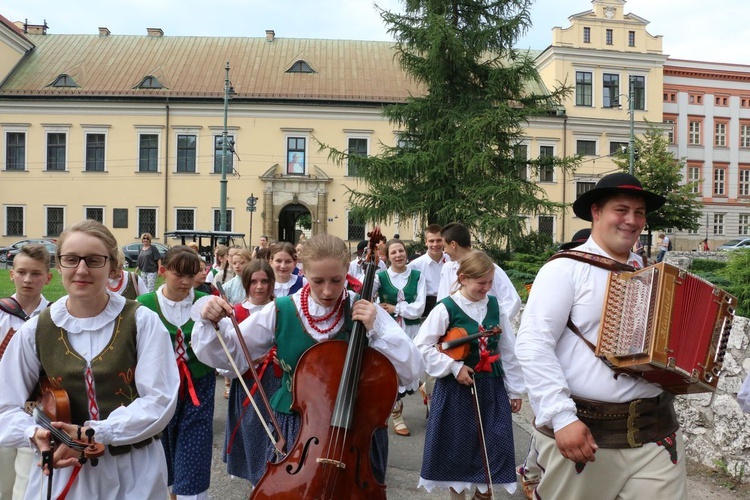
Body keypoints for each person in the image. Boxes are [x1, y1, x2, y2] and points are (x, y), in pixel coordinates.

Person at [191, 233, 423, 487]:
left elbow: (410, 370)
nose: (327, 290)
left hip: (355, 429)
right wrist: (209, 320)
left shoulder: (365, 310)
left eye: (336, 280)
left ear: (347, 270)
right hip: (297, 428)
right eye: (317, 280)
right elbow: (230, 353)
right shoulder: (282, 309)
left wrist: (376, 328)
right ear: (304, 273)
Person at [516, 172, 687, 499]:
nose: (631, 220)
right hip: (589, 433)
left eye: (639, 213)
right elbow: (534, 343)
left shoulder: (649, 272)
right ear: (596, 212)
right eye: (621, 210)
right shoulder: (564, 269)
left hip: (657, 432)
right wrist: (562, 418)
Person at [0, 220, 179, 499]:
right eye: (71, 259)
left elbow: (160, 400)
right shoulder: (36, 329)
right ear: (58, 266)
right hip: (63, 469)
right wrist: (37, 433)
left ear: (113, 267)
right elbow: (4, 405)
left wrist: (98, 432)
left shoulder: (142, 321)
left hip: (132, 469)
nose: (81, 270)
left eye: (94, 260)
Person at [414, 250, 524, 499]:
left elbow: (508, 349)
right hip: (455, 391)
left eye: (490, 282)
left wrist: (515, 389)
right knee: (458, 450)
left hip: (491, 388)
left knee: (494, 449)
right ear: (463, 278)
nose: (486, 288)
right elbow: (422, 346)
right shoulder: (447, 308)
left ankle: (483, 496)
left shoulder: (496, 307)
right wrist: (454, 367)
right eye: (481, 283)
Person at [137, 246, 213, 500]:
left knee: (194, 451)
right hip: (159, 388)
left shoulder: (205, 302)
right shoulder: (143, 305)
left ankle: (191, 495)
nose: (186, 282)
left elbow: (222, 346)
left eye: (191, 276)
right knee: (161, 451)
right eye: (179, 274)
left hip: (199, 387)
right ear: (162, 271)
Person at [216, 259, 279, 487]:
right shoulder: (236, 314)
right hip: (248, 387)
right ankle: (257, 485)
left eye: (265, 281)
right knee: (253, 435)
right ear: (246, 283)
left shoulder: (282, 309)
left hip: (279, 385)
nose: (260, 287)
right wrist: (248, 361)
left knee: (279, 439)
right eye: (254, 282)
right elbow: (224, 361)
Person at [0, 244, 52, 500]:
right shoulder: (1, 313)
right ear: (12, 274)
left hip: (40, 412)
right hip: (2, 408)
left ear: (48, 277)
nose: (27, 279)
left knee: (28, 486)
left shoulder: (55, 317)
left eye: (35, 273)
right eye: (21, 272)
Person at [372, 238, 426, 437]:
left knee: (417, 366)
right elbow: (366, 294)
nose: (399, 255)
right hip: (391, 332)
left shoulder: (418, 276)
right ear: (387, 256)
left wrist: (396, 308)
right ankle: (396, 416)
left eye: (401, 251)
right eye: (393, 252)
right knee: (392, 370)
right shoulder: (381, 276)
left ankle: (424, 392)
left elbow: (419, 307)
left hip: (413, 330)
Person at [437, 223, 521, 320]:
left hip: (484, 331)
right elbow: (442, 299)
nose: (444, 251)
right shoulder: (448, 268)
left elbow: (513, 300)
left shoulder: (489, 268)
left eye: (444, 247)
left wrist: (494, 321)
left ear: (453, 244)